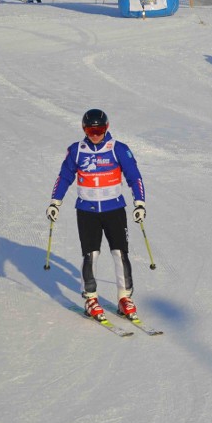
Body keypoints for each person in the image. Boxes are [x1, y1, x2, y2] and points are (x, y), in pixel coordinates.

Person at [46, 109, 147, 321]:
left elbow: (134, 176)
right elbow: (64, 176)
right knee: (91, 254)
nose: (95, 134)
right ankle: (91, 298)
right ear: (84, 130)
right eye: (91, 130)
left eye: (99, 129)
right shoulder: (77, 151)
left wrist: (139, 203)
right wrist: (55, 202)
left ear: (106, 128)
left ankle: (124, 298)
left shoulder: (118, 149)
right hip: (87, 211)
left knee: (120, 253)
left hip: (114, 210)